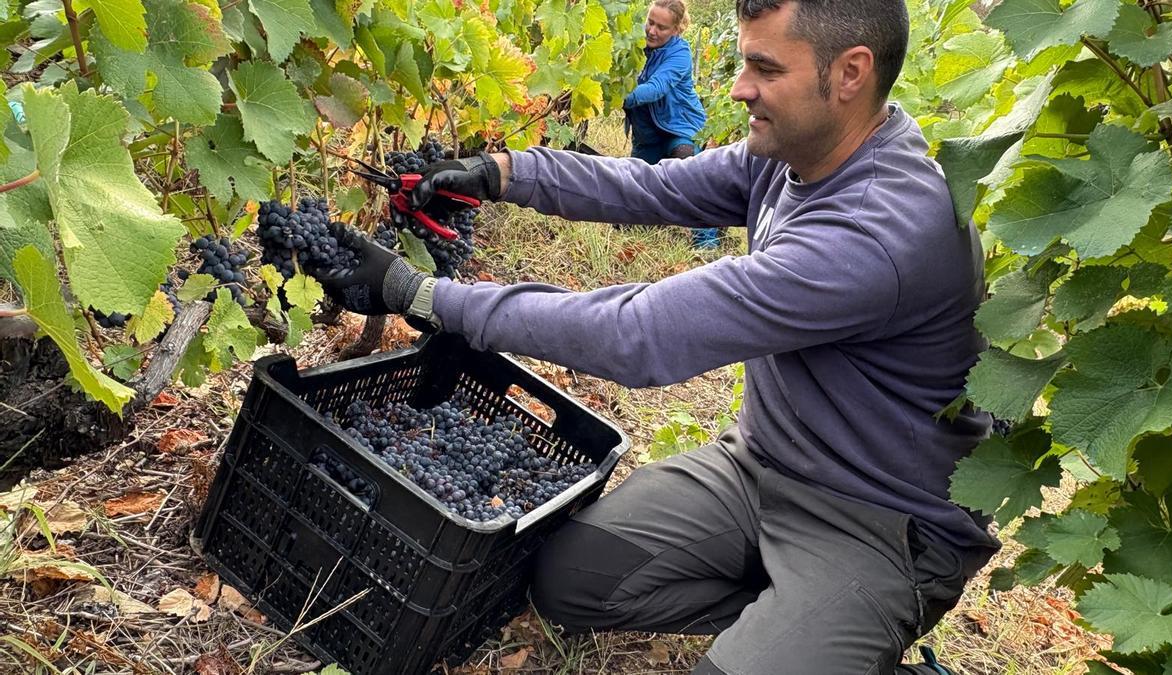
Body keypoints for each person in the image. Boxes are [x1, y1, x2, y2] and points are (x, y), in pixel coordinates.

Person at [318, 0, 997, 672]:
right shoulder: (801, 149)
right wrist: (501, 173)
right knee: (569, 580)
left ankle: (835, 630)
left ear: (850, 73)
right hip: (762, 467)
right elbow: (651, 187)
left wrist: (421, 294)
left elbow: (637, 334)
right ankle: (794, 621)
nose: (739, 88)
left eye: (765, 68)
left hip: (878, 523)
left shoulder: (879, 230)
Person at [623, 0, 719, 250]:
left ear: (676, 30)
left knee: (688, 173)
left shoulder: (680, 54)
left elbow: (656, 88)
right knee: (638, 187)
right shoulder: (633, 43)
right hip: (648, 132)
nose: (652, 31)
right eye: (650, 22)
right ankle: (650, 225)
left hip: (681, 127)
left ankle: (706, 244)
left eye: (662, 27)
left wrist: (617, 97)